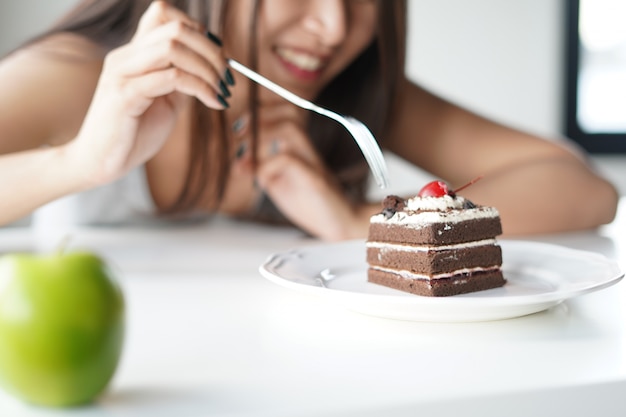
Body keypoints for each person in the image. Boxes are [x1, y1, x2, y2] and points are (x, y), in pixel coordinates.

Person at [0, 0, 618, 241]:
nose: (334, 28)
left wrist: (359, 225)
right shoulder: (78, 75)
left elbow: (585, 190)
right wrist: (80, 161)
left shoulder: (355, 95)